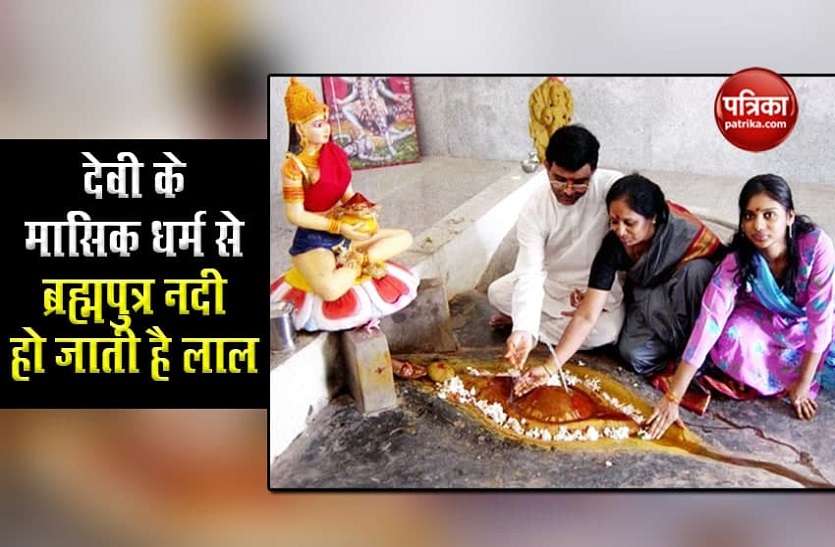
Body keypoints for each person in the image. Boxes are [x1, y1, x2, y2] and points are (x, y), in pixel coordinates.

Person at [646, 174, 835, 439]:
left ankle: (793, 374)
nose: (758, 226)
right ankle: (771, 373)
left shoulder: (816, 247)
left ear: (790, 216)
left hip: (806, 325)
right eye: (749, 216)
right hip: (763, 320)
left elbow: (821, 318)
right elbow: (709, 321)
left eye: (769, 215)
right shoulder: (738, 259)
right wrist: (673, 396)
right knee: (731, 336)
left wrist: (803, 384)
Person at [513, 174, 724, 396]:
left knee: (698, 272)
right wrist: (550, 367)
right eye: (614, 221)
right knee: (634, 355)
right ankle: (681, 353)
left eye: (629, 223)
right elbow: (587, 315)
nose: (620, 231)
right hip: (649, 299)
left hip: (689, 301)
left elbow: (725, 281)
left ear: (652, 217)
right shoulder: (613, 246)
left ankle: (695, 354)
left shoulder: (686, 234)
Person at [270, 78, 418, 332]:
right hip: (315, 242)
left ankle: (358, 259)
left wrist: (364, 211)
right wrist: (338, 227)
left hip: (345, 237)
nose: (326, 129)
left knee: (404, 237)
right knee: (329, 289)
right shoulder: (294, 167)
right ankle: (354, 263)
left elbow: (347, 196)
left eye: (326, 121)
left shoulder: (334, 154)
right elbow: (295, 215)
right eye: (317, 124)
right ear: (300, 129)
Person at [487, 125, 626, 370]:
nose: (569, 190)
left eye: (580, 182)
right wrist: (524, 330)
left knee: (607, 332)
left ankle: (539, 326)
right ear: (545, 165)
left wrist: (596, 302)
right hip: (551, 285)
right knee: (497, 292)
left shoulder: (612, 188)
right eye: (559, 179)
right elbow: (530, 272)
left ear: (594, 170)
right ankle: (532, 331)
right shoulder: (535, 207)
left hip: (595, 290)